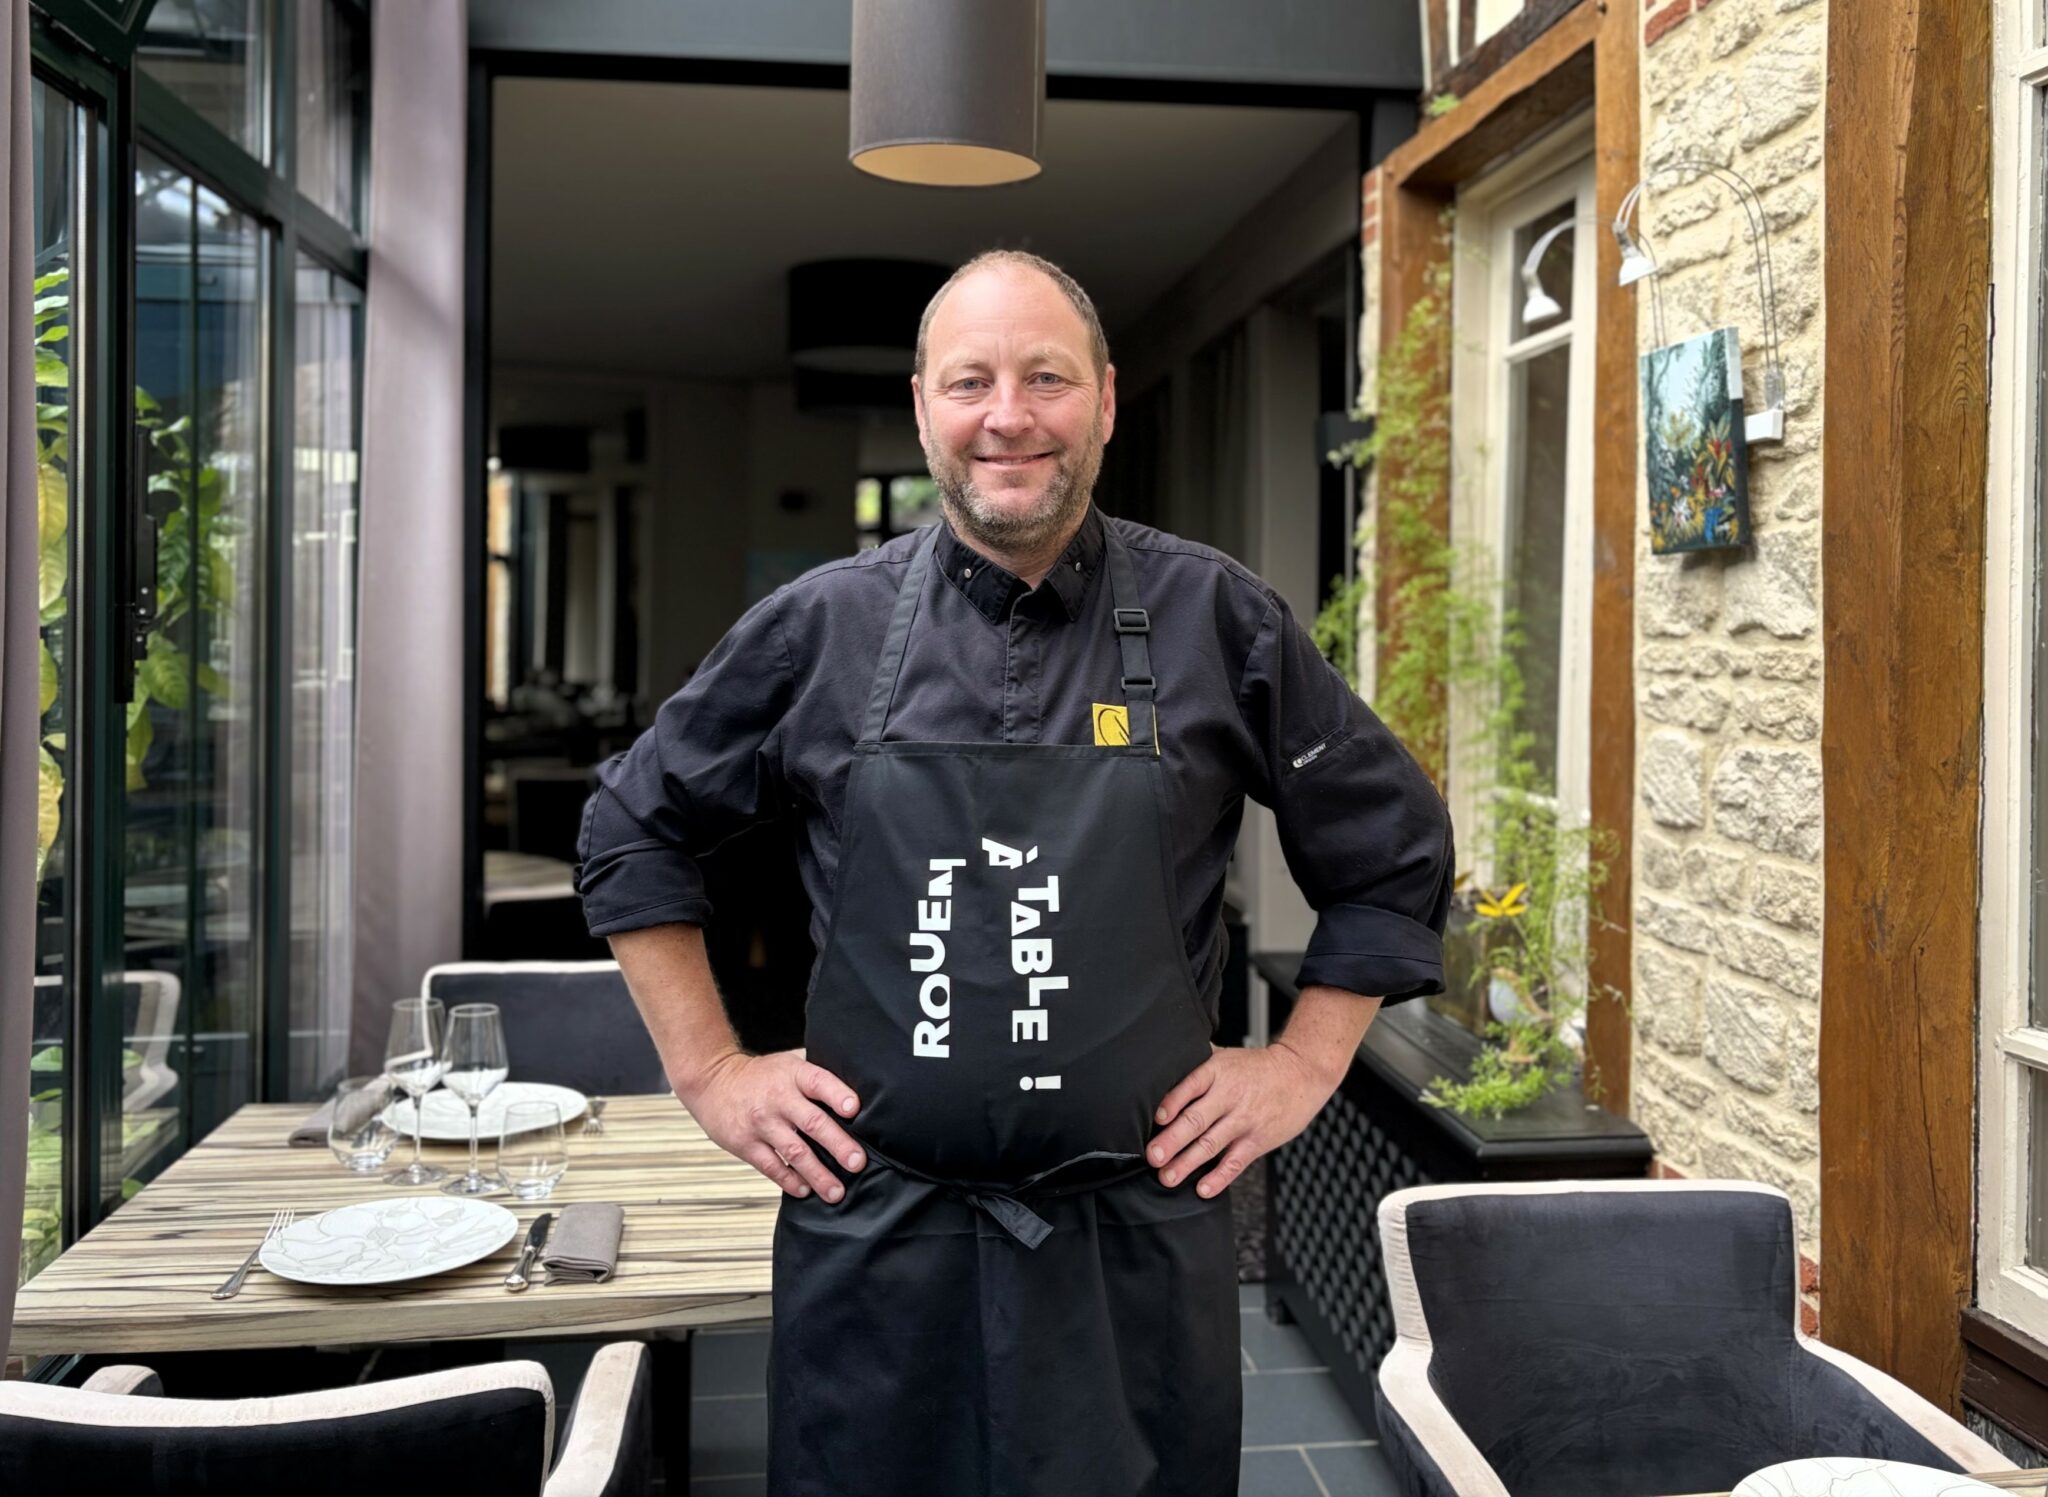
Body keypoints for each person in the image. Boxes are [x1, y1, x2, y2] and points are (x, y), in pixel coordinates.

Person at [575, 250, 1455, 1496]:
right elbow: (629, 828)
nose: (1007, 416)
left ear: (1102, 399)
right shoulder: (821, 624)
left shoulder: (1217, 620)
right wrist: (710, 1070)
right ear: (925, 405)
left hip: (1133, 1247)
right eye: (970, 381)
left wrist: (1302, 1064)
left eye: (1043, 378)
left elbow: (1392, 852)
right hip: (875, 1244)